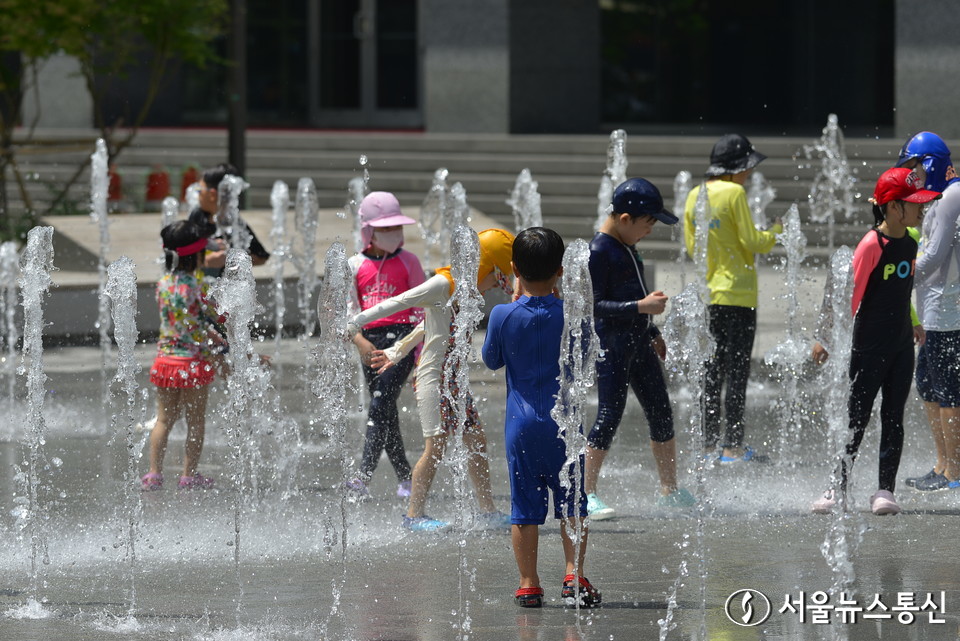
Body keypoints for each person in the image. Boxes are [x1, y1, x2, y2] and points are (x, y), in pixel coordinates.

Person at [348, 229, 515, 532]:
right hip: (432, 377)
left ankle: (487, 510)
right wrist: (356, 323)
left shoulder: (468, 291)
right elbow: (398, 301)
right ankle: (414, 515)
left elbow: (428, 325)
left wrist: (396, 351)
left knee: (475, 438)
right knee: (435, 445)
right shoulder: (443, 284)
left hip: (454, 379)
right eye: (497, 278)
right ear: (486, 268)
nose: (495, 286)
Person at [481, 227, 601, 609]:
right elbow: (584, 364)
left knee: (523, 510)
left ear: (514, 268)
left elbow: (491, 360)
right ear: (562, 270)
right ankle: (572, 575)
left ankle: (529, 583)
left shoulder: (501, 314)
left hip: (521, 427)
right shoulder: (573, 316)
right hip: (564, 425)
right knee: (573, 504)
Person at [811, 167, 939, 515]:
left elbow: (903, 290)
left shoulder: (911, 240)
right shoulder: (872, 244)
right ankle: (837, 487)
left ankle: (885, 490)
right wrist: (827, 339)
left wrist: (914, 322)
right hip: (869, 346)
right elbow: (850, 296)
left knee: (893, 417)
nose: (921, 210)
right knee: (856, 417)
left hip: (900, 346)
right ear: (894, 207)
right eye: (914, 204)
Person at [584, 178, 694, 521]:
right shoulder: (599, 250)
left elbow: (637, 291)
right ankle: (585, 492)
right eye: (646, 225)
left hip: (639, 343)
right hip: (613, 347)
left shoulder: (627, 246)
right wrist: (639, 308)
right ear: (625, 218)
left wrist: (652, 329)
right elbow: (594, 305)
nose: (648, 232)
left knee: (661, 412)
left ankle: (669, 490)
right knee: (608, 416)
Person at [683, 134, 782, 464]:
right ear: (737, 168)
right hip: (739, 295)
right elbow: (754, 241)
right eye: (747, 169)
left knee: (711, 373)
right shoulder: (734, 193)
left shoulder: (695, 195)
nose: (749, 175)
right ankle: (733, 447)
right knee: (737, 373)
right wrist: (777, 232)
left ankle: (708, 444)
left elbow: (692, 247)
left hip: (710, 296)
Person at [345, 192, 423, 498]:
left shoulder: (409, 262)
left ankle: (363, 478)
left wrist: (416, 356)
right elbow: (350, 312)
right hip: (370, 345)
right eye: (384, 229)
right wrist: (361, 342)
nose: (392, 234)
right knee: (386, 409)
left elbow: (421, 312)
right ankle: (406, 477)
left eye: (396, 228)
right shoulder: (355, 265)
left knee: (379, 405)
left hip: (402, 342)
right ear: (368, 231)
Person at [895, 132, 960, 492]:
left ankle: (954, 471)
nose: (912, 176)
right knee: (928, 386)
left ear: (930, 164)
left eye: (915, 168)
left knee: (949, 391)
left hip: (950, 313)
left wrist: (896, 275)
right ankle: (942, 464)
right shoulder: (941, 197)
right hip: (935, 310)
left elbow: (933, 255)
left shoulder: (953, 196)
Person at [141, 221, 226, 490]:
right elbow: (216, 316)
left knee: (164, 420)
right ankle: (189, 476)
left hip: (166, 360)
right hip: (192, 364)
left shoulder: (163, 284)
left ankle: (154, 474)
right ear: (197, 257)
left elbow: (182, 321)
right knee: (196, 421)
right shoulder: (198, 287)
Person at [187, 163, 270, 277]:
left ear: (212, 194)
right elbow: (181, 253)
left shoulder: (235, 224)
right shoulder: (197, 216)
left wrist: (229, 260)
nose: (197, 195)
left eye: (200, 190)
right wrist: (204, 261)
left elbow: (261, 257)